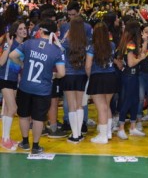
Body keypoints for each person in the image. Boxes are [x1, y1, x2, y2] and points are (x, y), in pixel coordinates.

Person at [9, 19, 65, 154]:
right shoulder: (56, 50)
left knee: (24, 115)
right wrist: (54, 76)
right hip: (43, 89)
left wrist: (23, 65)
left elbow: (12, 56)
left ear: (40, 31)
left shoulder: (29, 43)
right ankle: (35, 146)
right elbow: (62, 73)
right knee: (38, 118)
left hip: (25, 87)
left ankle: (24, 142)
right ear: (54, 33)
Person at [86, 22, 119, 144]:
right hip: (111, 77)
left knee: (101, 108)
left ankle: (102, 135)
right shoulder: (112, 45)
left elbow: (88, 65)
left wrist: (91, 77)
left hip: (98, 78)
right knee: (107, 105)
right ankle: (108, 133)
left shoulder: (92, 47)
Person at [115, 20, 147, 139]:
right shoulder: (131, 43)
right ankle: (121, 128)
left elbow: (117, 58)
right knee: (128, 101)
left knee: (134, 101)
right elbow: (131, 62)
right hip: (130, 75)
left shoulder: (126, 42)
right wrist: (141, 59)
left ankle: (133, 127)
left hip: (130, 75)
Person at [0, 21, 27, 150]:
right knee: (12, 108)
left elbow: (20, 64)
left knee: (7, 110)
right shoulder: (9, 42)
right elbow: (1, 62)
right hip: (4, 78)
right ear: (15, 31)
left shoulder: (24, 45)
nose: (24, 30)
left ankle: (5, 138)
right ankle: (5, 139)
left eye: (25, 28)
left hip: (14, 80)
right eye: (20, 29)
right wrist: (9, 47)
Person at [61, 16, 88, 143]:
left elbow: (58, 48)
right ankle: (79, 134)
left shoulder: (66, 42)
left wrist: (65, 36)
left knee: (71, 106)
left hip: (68, 75)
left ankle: (75, 135)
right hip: (82, 75)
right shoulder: (86, 41)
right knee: (79, 105)